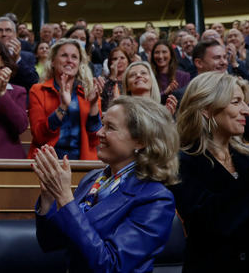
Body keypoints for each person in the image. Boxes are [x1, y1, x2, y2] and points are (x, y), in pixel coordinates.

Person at [33, 95, 179, 272]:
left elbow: (112, 265)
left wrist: (65, 198)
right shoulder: (92, 179)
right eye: (103, 124)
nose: (99, 132)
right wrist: (48, 200)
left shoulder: (156, 199)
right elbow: (51, 244)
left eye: (110, 127)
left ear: (141, 141)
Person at [170, 71, 249, 272]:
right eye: (236, 102)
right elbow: (214, 224)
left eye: (245, 102)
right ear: (207, 109)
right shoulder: (180, 163)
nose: (247, 110)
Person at [28, 39, 101, 160]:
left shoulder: (89, 92)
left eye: (74, 57)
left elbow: (95, 139)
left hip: (82, 162)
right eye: (64, 55)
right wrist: (63, 106)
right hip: (47, 161)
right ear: (52, 61)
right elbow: (39, 137)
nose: (69, 60)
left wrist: (93, 105)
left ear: (79, 64)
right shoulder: (38, 91)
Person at [0, 16, 39, 92]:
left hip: (19, 99)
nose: (4, 34)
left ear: (15, 34)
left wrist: (18, 59)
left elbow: (33, 82)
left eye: (8, 30)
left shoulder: (27, 56)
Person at [100, 47, 131, 112]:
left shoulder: (131, 81)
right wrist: (113, 77)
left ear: (128, 61)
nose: (118, 61)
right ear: (110, 63)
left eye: (122, 58)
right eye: (115, 59)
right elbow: (107, 104)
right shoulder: (103, 82)